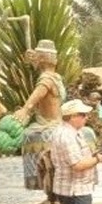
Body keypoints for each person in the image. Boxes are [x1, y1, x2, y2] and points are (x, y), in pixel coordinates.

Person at [15, 39, 65, 191]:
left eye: (37, 58)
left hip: (49, 124)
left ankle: (40, 183)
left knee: (29, 136)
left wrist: (25, 109)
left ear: (42, 59)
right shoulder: (56, 77)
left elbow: (37, 95)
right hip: (59, 122)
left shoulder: (46, 79)